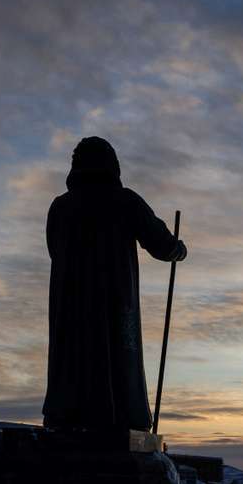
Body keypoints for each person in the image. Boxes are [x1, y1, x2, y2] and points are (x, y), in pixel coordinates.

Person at [42, 136, 186, 433]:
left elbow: (54, 249)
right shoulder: (124, 201)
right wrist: (179, 249)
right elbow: (161, 244)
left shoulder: (60, 207)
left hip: (70, 305)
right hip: (113, 301)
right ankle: (119, 418)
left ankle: (68, 418)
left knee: (73, 356)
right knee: (117, 356)